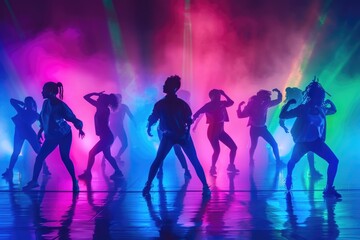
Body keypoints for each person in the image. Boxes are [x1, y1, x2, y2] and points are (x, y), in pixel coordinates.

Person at [142, 75, 210, 197]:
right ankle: (148, 185)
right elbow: (154, 117)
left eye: (167, 84)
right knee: (158, 160)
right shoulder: (162, 104)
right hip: (171, 136)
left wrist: (187, 134)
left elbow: (188, 121)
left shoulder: (180, 104)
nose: (164, 86)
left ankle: (205, 186)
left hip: (180, 136)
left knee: (193, 161)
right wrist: (149, 126)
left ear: (174, 88)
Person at [280, 80, 341, 198]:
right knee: (292, 162)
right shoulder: (303, 109)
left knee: (334, 161)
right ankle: (288, 177)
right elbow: (283, 115)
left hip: (316, 143)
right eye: (320, 97)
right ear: (312, 96)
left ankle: (328, 188)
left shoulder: (321, 109)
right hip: (302, 143)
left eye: (323, 97)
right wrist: (288, 103)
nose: (322, 99)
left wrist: (330, 102)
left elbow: (333, 110)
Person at [22, 82, 85, 192]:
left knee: (65, 158)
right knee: (40, 157)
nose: (42, 92)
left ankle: (74, 181)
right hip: (52, 136)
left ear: (50, 92)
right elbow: (43, 117)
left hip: (64, 135)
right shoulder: (46, 103)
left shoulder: (61, 106)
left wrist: (80, 128)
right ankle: (34, 181)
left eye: (44, 90)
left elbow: (72, 118)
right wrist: (40, 131)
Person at [78, 92, 124, 180]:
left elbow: (86, 97)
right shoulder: (101, 107)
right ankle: (118, 172)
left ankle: (88, 173)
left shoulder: (103, 109)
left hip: (106, 137)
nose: (97, 99)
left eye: (99, 99)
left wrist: (96, 94)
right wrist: (97, 94)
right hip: (106, 137)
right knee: (107, 156)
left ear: (102, 101)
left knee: (91, 153)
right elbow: (85, 97)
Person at [2, 97, 51, 178]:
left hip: (29, 133)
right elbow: (12, 101)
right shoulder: (21, 110)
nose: (27, 103)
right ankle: (10, 170)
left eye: (29, 102)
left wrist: (41, 132)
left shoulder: (35, 114)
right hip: (19, 133)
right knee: (16, 152)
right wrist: (22, 103)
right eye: (26, 102)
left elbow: (43, 122)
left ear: (32, 103)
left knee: (38, 151)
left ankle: (45, 168)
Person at [193, 89, 238, 176]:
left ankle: (231, 166)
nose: (219, 96)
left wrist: (224, 94)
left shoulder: (222, 103)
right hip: (212, 131)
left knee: (234, 147)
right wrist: (193, 122)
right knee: (217, 150)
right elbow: (197, 113)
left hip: (221, 131)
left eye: (219, 95)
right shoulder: (208, 105)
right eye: (216, 95)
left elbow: (231, 102)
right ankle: (213, 168)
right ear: (212, 97)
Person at [280, 87, 322, 178]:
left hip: (303, 131)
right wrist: (283, 127)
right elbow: (282, 117)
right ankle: (290, 175)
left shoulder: (302, 104)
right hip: (297, 133)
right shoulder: (295, 105)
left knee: (309, 151)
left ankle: (311, 170)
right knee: (298, 154)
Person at [237, 88, 285, 166]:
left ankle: (278, 161)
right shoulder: (252, 105)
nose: (266, 99)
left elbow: (278, 100)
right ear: (260, 97)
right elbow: (240, 115)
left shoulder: (265, 103)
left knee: (273, 144)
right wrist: (239, 107)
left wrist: (278, 92)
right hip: (254, 129)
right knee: (253, 145)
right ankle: (251, 160)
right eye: (265, 97)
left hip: (262, 128)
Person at [157, 90, 192, 179]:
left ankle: (186, 170)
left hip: (173, 130)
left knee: (176, 150)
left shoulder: (181, 104)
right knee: (163, 150)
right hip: (165, 130)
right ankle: (160, 169)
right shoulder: (166, 102)